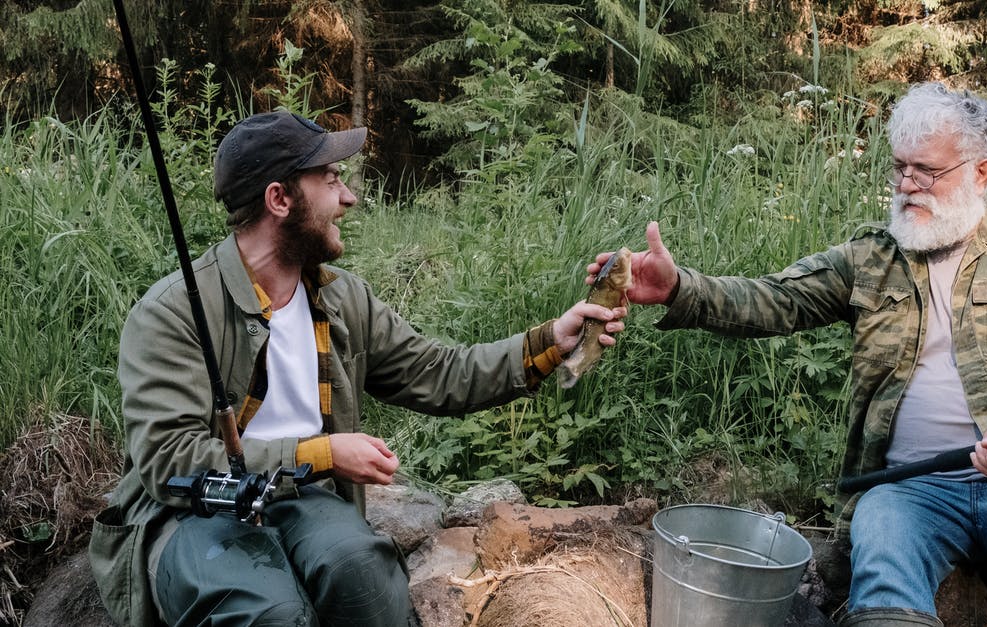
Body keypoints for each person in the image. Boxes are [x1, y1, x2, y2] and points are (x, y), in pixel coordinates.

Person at [591, 82, 987, 626]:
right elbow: (775, 300)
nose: (908, 184)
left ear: (981, 173)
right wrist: (676, 287)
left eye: (927, 171)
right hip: (906, 488)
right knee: (881, 580)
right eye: (900, 167)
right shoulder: (871, 256)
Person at [89, 110, 626, 627]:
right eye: (331, 179)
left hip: (300, 500)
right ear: (280, 198)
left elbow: (439, 371)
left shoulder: (342, 298)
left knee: (364, 576)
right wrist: (323, 453)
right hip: (193, 516)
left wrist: (551, 343)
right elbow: (170, 463)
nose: (348, 197)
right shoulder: (173, 311)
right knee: (267, 611)